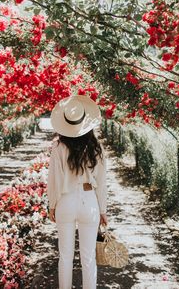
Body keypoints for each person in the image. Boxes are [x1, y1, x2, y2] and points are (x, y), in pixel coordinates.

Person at [47, 95, 108, 289]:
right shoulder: (95, 147)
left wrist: (52, 205)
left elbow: (53, 180)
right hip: (89, 201)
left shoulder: (58, 147)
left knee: (65, 256)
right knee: (88, 257)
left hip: (65, 201)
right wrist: (103, 210)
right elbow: (102, 182)